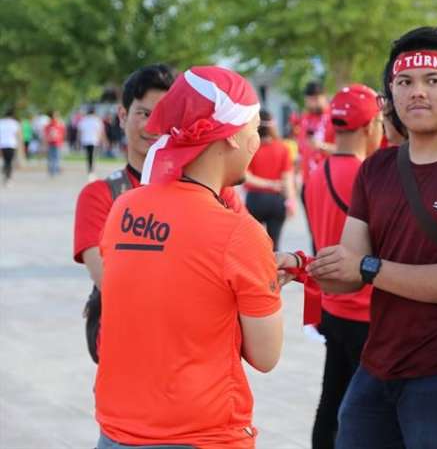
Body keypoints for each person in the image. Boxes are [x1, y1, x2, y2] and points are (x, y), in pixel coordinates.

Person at [300, 27, 437, 449]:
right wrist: (301, 268)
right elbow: (347, 272)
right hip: (379, 364)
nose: (417, 92)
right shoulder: (376, 168)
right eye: (405, 82)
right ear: (391, 95)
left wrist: (367, 268)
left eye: (432, 80)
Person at [95, 66, 282, 448]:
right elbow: (265, 355)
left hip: (117, 431)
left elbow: (164, 284)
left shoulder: (125, 208)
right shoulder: (239, 233)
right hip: (202, 435)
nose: (257, 145)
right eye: (253, 132)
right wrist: (263, 285)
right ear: (229, 138)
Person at [73, 64, 244, 363]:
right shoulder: (100, 195)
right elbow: (110, 281)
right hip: (129, 354)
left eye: (167, 114)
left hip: (199, 356)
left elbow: (249, 257)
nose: (154, 126)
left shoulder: (218, 191)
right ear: (123, 116)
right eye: (144, 113)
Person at [300, 84, 384, 449]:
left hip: (332, 306)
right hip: (367, 310)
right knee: (368, 412)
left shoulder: (317, 174)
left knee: (331, 399)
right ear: (371, 126)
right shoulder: (368, 177)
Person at [244, 110, 297, 250]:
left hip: (255, 199)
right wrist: (291, 201)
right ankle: (273, 271)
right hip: (277, 199)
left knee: (253, 244)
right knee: (275, 245)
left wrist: (267, 184)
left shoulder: (250, 148)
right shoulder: (283, 148)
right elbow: (288, 179)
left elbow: (246, 177)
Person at [78, 106, 105, 179]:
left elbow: (80, 130)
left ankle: (90, 169)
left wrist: (79, 139)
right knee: (93, 155)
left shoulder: (84, 119)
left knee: (88, 155)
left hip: (86, 140)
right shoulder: (97, 120)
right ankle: (91, 169)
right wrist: (102, 139)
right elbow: (100, 131)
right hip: (94, 140)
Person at [0, 108, 23, 186]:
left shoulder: (1, 122)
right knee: (9, 161)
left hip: (2, 145)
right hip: (11, 144)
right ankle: (8, 177)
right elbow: (19, 135)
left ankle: (5, 171)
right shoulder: (15, 123)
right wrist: (20, 148)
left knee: (5, 160)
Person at [43, 110, 66, 176]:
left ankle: (52, 170)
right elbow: (62, 133)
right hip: (56, 142)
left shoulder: (48, 125)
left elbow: (46, 134)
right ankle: (54, 170)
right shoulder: (58, 124)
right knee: (56, 157)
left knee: (52, 157)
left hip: (52, 142)